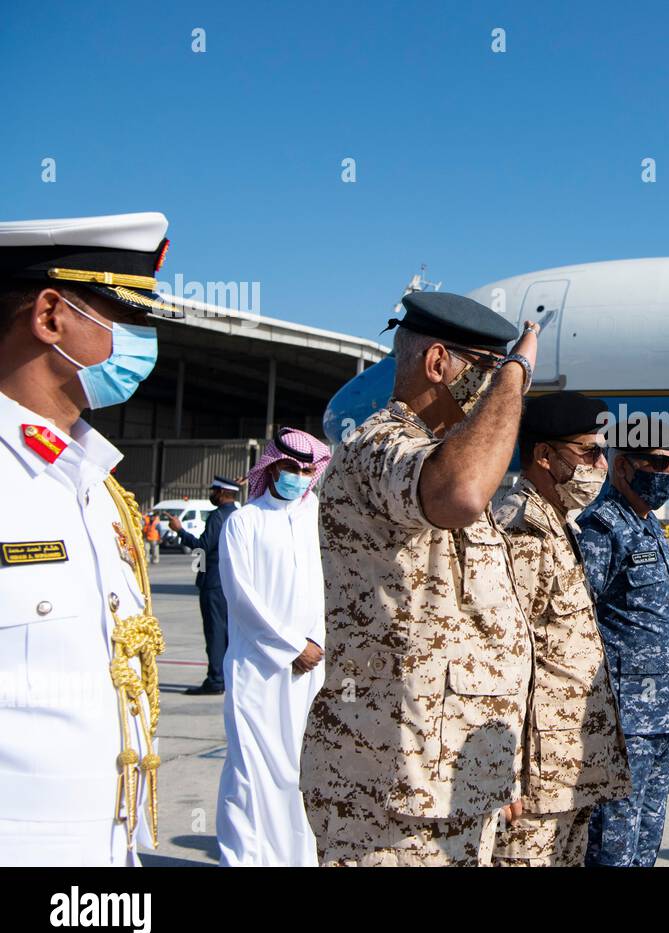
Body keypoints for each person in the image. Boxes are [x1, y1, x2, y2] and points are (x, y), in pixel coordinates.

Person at [300, 292, 538, 866]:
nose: (498, 386)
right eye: (485, 369)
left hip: (451, 776)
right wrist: (515, 378)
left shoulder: (435, 454)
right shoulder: (378, 445)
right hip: (391, 783)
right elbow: (458, 492)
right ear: (438, 364)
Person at [0, 211, 179, 865]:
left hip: (105, 851)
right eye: (123, 317)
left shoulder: (99, 487)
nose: (142, 342)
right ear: (50, 315)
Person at [490, 392, 632, 866]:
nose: (600, 463)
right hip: (533, 776)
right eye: (588, 451)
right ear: (544, 456)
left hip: (567, 765)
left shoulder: (558, 523)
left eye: (602, 451)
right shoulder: (523, 527)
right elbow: (503, 656)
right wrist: (502, 772)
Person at [216, 427, 332, 866]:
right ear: (271, 467)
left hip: (312, 668)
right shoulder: (245, 522)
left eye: (307, 470)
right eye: (290, 468)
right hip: (258, 669)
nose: (299, 477)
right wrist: (291, 647)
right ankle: (244, 859)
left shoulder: (315, 518)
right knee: (251, 770)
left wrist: (316, 645)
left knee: (295, 773)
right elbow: (242, 598)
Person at [577, 434, 669, 866]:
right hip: (626, 716)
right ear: (622, 466)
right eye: (658, 464)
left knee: (647, 833)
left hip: (661, 715)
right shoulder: (604, 527)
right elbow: (580, 619)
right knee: (614, 838)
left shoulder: (647, 525)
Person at [170, 475, 241, 695]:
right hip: (231, 582)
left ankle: (216, 680)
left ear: (221, 493)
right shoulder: (239, 515)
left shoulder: (218, 516)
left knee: (215, 633)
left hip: (214, 583)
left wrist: (179, 530)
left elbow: (202, 547)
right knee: (230, 633)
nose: (212, 494)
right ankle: (229, 678)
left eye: (214, 491)